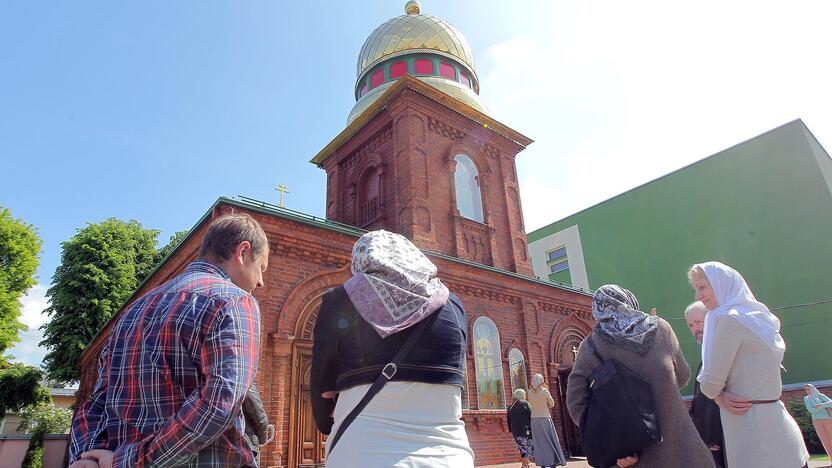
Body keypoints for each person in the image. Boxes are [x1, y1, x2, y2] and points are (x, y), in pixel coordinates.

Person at [68, 213, 269, 468]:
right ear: (242, 252)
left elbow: (97, 401)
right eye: (261, 267)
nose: (261, 282)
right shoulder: (234, 300)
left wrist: (87, 456)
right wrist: (132, 462)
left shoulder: (132, 311)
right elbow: (221, 403)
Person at [310, 230, 473, 467]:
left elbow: (322, 388)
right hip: (449, 455)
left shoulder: (341, 299)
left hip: (363, 452)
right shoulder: (453, 304)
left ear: (363, 260)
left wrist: (326, 421)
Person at [567, 284, 715, 468]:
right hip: (683, 447)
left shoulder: (592, 346)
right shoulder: (661, 327)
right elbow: (683, 376)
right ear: (629, 300)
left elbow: (575, 401)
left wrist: (610, 440)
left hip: (634, 454)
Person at [689, 261, 809, 468]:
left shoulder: (729, 321)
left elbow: (709, 384)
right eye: (696, 289)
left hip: (752, 433)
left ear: (721, 284)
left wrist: (717, 395)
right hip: (778, 425)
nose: (698, 296)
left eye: (702, 287)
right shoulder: (758, 317)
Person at [685, 301, 726, 468]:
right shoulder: (707, 353)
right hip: (714, 442)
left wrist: (711, 435)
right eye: (691, 325)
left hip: (725, 439)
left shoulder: (721, 350)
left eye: (699, 322)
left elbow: (713, 400)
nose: (695, 329)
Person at [527, 373, 566, 467]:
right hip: (544, 418)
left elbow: (529, 405)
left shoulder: (529, 392)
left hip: (534, 420)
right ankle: (552, 462)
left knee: (539, 442)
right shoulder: (545, 391)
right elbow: (552, 404)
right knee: (549, 440)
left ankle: (542, 464)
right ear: (542, 381)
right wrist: (545, 407)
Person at [803, 384, 832, 461]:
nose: (807, 391)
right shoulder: (806, 398)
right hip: (816, 420)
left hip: (827, 419)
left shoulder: (820, 396)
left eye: (809, 389)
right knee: (824, 440)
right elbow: (811, 410)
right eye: (806, 390)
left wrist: (821, 405)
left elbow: (831, 402)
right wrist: (822, 407)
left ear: (813, 389)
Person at [507, 389, 534, 468]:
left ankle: (527, 462)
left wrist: (511, 430)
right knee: (527, 446)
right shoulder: (524, 403)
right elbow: (530, 415)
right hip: (526, 429)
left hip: (515, 431)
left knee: (521, 446)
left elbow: (508, 420)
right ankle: (524, 464)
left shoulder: (511, 406)